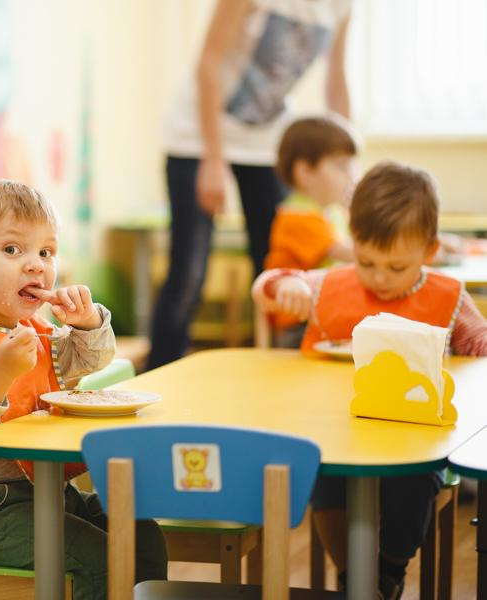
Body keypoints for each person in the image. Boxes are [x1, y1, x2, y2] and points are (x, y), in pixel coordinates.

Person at [0, 180, 168, 600]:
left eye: (46, 252)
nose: (36, 266)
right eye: (13, 249)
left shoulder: (34, 329)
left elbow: (91, 360)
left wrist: (86, 323)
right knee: (101, 561)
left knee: (143, 534)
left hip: (52, 495)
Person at [252, 161, 487, 599]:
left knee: (414, 485)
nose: (379, 278)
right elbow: (267, 284)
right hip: (336, 433)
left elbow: (480, 345)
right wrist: (284, 287)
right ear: (352, 241)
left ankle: (389, 571)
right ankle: (353, 577)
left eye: (397, 267)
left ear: (430, 250)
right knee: (325, 484)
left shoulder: (448, 297)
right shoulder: (331, 285)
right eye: (366, 262)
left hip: (414, 441)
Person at [148, 0, 353, 368]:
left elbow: (336, 80)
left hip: (265, 142)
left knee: (273, 267)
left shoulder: (340, 6)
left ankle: (275, 367)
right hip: (197, 136)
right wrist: (213, 159)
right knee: (189, 272)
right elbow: (209, 63)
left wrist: (347, 163)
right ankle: (158, 370)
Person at [265, 114, 358, 346]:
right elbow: (354, 253)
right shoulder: (298, 216)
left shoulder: (332, 212)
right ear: (305, 172)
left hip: (324, 315)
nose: (351, 175)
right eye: (341, 166)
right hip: (300, 324)